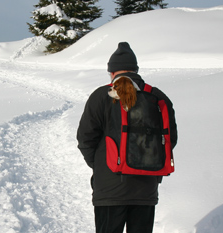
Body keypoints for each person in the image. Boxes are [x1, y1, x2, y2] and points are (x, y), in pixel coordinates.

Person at [76, 42, 177, 233]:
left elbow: (85, 139)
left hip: (109, 187)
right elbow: (170, 140)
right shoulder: (158, 97)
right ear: (135, 70)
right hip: (146, 188)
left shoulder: (102, 96)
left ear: (112, 72)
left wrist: (100, 165)